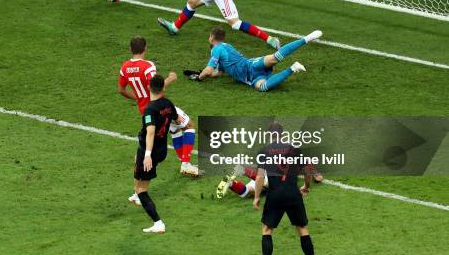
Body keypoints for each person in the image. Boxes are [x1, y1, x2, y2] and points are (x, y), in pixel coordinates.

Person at [118, 36, 199, 184]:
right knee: (189, 126)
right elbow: (156, 87)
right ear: (145, 48)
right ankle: (185, 164)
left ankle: (184, 162)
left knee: (174, 129)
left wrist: (138, 98)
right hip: (159, 106)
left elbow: (121, 90)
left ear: (130, 49)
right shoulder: (147, 66)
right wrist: (170, 78)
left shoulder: (124, 68)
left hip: (145, 110)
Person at [253, 123, 320, 255]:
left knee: (267, 230)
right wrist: (307, 186)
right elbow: (308, 169)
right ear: (283, 135)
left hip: (275, 195)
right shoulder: (294, 149)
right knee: (302, 229)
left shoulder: (264, 151)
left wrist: (256, 197)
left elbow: (260, 177)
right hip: (293, 195)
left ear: (270, 135)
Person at [188, 27, 322, 92]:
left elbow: (210, 69)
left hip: (250, 65)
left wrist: (200, 77)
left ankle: (306, 39)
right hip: (251, 78)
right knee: (263, 87)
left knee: (276, 57)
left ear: (211, 37)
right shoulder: (225, 46)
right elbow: (218, 72)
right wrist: (206, 74)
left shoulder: (216, 49)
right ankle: (293, 68)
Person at [133, 75, 177, 234]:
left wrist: (147, 155)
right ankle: (136, 194)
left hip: (150, 151)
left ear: (148, 88)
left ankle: (158, 223)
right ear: (163, 88)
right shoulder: (168, 104)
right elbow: (177, 120)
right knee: (136, 164)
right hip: (162, 150)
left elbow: (150, 133)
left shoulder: (149, 110)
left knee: (142, 190)